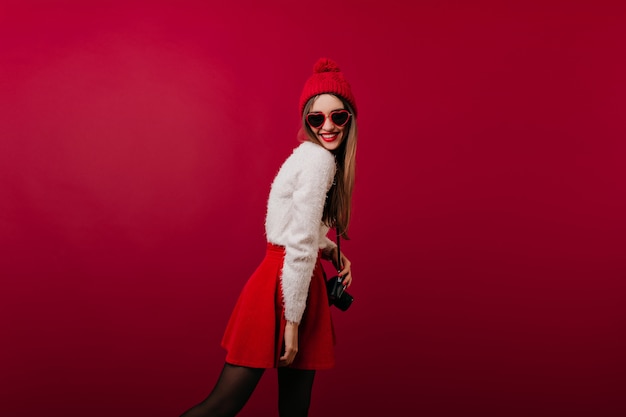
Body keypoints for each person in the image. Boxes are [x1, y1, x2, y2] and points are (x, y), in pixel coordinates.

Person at [180, 57, 358, 417]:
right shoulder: (318, 161)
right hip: (287, 285)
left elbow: (293, 228)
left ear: (350, 118)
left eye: (338, 116)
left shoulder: (310, 158)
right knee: (223, 406)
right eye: (316, 118)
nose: (328, 126)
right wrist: (291, 322)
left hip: (292, 280)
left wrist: (330, 251)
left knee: (288, 408)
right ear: (306, 121)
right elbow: (295, 244)